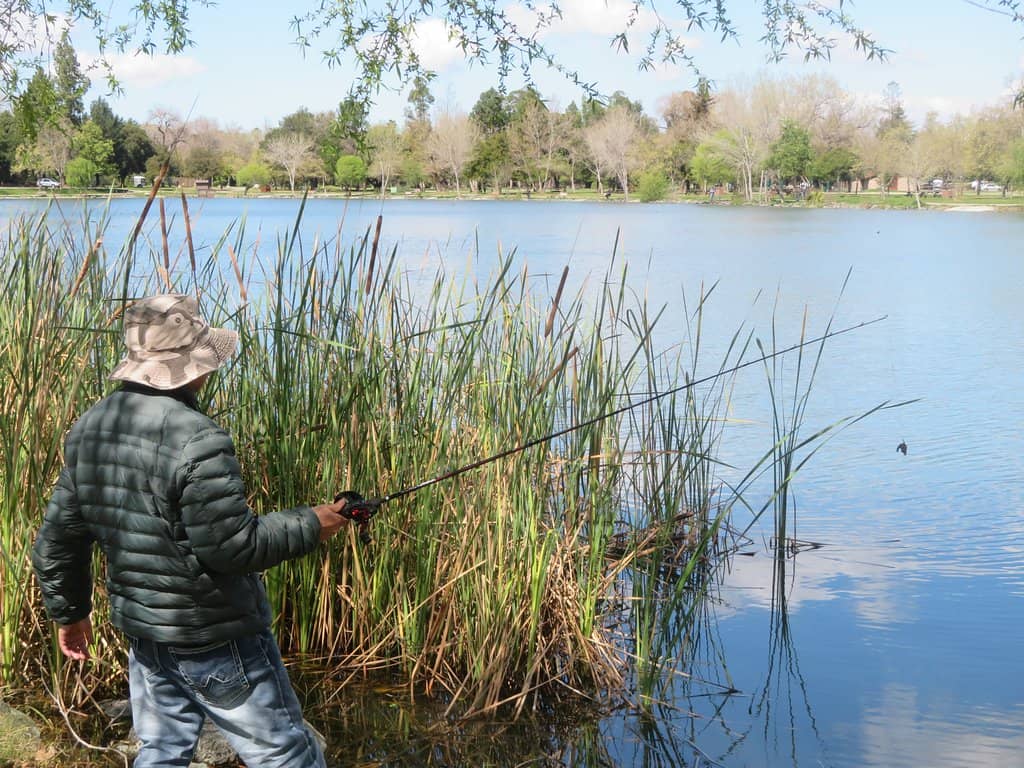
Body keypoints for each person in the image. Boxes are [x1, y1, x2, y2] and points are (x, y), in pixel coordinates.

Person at [32, 293, 354, 768]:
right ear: (189, 367)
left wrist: (70, 612)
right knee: (284, 753)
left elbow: (57, 538)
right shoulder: (199, 439)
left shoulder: (91, 427)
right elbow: (233, 549)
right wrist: (314, 522)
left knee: (161, 751)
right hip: (214, 635)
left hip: (146, 636)